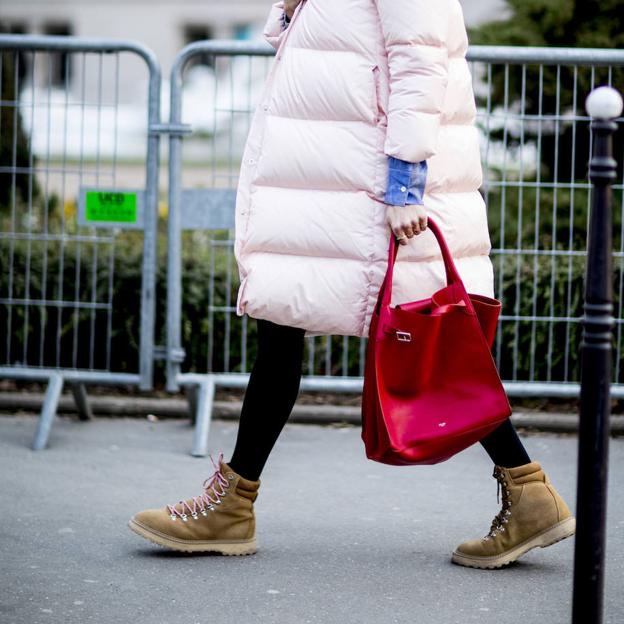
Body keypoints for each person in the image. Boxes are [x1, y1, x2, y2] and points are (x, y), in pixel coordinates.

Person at [129, 0, 575, 569]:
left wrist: (405, 186)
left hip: (369, 195)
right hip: (330, 188)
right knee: (287, 329)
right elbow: (303, 43)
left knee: (436, 348)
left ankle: (528, 490)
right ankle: (234, 503)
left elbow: (419, 62)